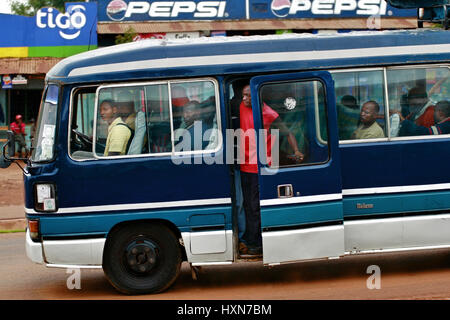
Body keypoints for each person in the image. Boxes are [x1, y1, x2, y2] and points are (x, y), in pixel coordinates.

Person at [238, 84, 304, 256]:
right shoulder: (241, 106)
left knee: (254, 206)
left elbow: (287, 133)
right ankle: (251, 239)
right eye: (242, 95)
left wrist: (296, 151)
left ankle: (256, 243)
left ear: (255, 95)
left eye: (247, 96)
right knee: (247, 205)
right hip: (244, 165)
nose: (243, 99)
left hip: (259, 166)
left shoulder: (269, 113)